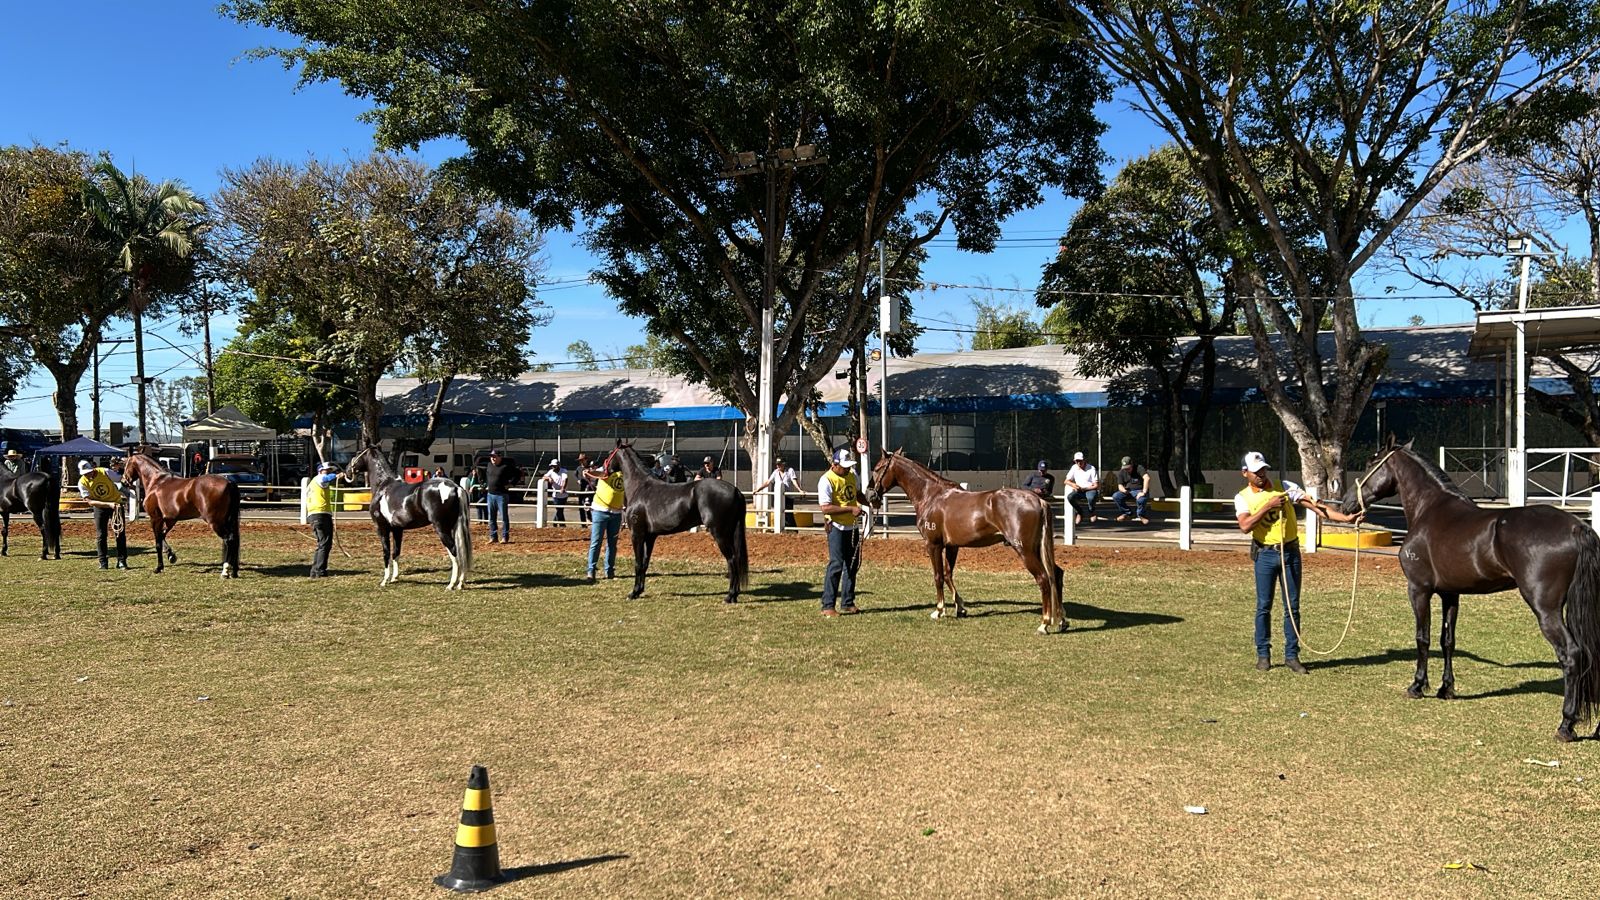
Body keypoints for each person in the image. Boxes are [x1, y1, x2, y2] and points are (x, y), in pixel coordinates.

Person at [1235, 450, 1362, 674]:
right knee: (1263, 606)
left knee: (1292, 607)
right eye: (1256, 472)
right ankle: (1263, 654)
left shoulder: (1284, 487)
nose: (1261, 475)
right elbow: (1245, 526)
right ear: (1245, 473)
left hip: (1290, 553)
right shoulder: (1242, 498)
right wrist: (1267, 506)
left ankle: (1291, 656)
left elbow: (1316, 507)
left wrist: (1346, 518)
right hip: (1265, 555)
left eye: (1263, 469)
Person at [817, 448, 869, 617]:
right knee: (836, 564)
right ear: (835, 464)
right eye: (844, 466)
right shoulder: (826, 480)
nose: (847, 469)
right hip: (836, 527)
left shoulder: (852, 476)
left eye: (849, 466)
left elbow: (857, 494)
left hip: (852, 526)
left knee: (852, 565)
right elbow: (825, 507)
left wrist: (868, 502)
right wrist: (850, 509)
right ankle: (828, 605)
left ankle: (848, 602)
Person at [77, 459, 127, 570]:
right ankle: (103, 562)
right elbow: (90, 502)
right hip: (100, 507)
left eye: (89, 472)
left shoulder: (105, 472)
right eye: (85, 474)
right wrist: (109, 504)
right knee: (101, 535)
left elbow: (119, 478)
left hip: (116, 505)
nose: (88, 475)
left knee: (120, 534)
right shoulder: (82, 483)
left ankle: (122, 561)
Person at [587, 455, 626, 582]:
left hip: (616, 513)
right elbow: (598, 472)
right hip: (600, 510)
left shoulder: (624, 474)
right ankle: (591, 570)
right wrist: (589, 471)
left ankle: (609, 570)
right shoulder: (606, 470)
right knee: (596, 542)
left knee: (612, 544)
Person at [306, 461, 342, 578]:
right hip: (320, 514)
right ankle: (320, 571)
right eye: (328, 470)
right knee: (324, 544)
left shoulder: (313, 483)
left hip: (315, 514)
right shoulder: (319, 478)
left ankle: (316, 570)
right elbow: (325, 478)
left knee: (322, 544)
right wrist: (337, 475)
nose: (329, 473)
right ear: (321, 471)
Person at [484, 449, 520, 543]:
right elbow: (485, 475)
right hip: (490, 494)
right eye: (492, 457)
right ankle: (493, 536)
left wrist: (511, 484)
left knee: (503, 517)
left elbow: (518, 474)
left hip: (501, 495)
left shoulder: (506, 466)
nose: (493, 459)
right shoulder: (489, 465)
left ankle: (505, 536)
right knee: (491, 517)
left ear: (499, 457)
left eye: (495, 457)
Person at [752, 457, 801, 526]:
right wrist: (758, 490)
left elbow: (794, 481)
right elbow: (768, 482)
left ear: (784, 464)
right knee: (780, 513)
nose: (778, 466)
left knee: (788, 514)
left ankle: (793, 530)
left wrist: (799, 490)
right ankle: (783, 529)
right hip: (779, 497)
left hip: (788, 497)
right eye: (777, 464)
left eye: (779, 464)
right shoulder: (775, 472)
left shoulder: (790, 470)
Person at [1063, 452, 1101, 524]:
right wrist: (1074, 485)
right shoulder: (1074, 467)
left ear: (1084, 460)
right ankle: (1079, 512)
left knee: (1091, 497)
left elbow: (1096, 485)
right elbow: (1066, 481)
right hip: (1079, 490)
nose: (1078, 463)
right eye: (1076, 461)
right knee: (1070, 497)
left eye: (1080, 461)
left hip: (1090, 489)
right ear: (1074, 461)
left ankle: (1091, 511)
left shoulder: (1091, 468)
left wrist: (1085, 488)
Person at [1113, 456, 1152, 525]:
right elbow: (1120, 485)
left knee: (1141, 500)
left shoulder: (1139, 468)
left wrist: (1144, 491)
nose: (1126, 470)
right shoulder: (1121, 472)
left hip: (1139, 490)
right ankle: (1127, 513)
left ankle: (1141, 515)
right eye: (1125, 468)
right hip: (1128, 491)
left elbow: (1147, 478)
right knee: (1116, 496)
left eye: (1128, 468)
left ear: (1132, 464)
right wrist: (1124, 491)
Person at [543, 460, 570, 525]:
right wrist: (549, 478)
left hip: (563, 494)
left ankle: (556, 523)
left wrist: (563, 488)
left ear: (558, 466)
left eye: (554, 466)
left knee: (560, 509)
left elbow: (565, 480)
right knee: (559, 509)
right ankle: (561, 524)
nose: (553, 467)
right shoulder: (551, 472)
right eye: (552, 466)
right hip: (555, 494)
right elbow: (544, 476)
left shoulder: (563, 471)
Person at [574, 453, 596, 524]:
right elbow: (575, 475)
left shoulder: (590, 468)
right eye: (580, 460)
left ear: (586, 460)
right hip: (582, 489)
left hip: (590, 489)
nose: (581, 462)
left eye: (582, 460)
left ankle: (591, 519)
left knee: (590, 505)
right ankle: (583, 522)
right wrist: (578, 480)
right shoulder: (579, 468)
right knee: (581, 506)